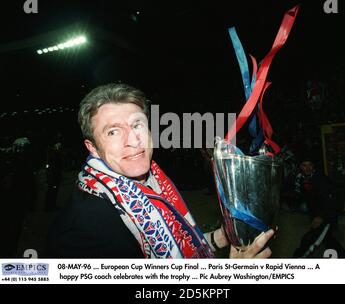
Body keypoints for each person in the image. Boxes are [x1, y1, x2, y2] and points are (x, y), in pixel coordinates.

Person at [46, 83, 274, 258]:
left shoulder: (155, 180)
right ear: (93, 148)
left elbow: (175, 248)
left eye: (137, 125)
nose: (133, 141)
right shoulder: (83, 229)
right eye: (113, 132)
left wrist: (220, 237)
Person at [292, 156, 345, 258]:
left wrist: (321, 217)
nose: (307, 168)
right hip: (319, 214)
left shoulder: (319, 178)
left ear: (313, 166)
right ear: (300, 167)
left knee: (308, 241)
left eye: (310, 165)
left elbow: (331, 200)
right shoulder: (304, 178)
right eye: (304, 165)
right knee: (329, 241)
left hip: (327, 216)